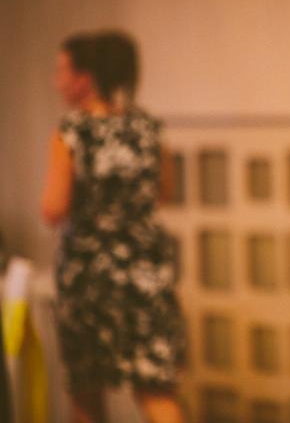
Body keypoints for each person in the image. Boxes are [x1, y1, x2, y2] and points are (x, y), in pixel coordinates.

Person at [41, 30, 186, 423]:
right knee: (156, 389)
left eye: (62, 71)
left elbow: (53, 208)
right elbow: (165, 191)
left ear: (86, 78)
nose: (57, 81)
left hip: (90, 276)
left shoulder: (72, 131)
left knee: (86, 392)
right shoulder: (147, 127)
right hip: (146, 271)